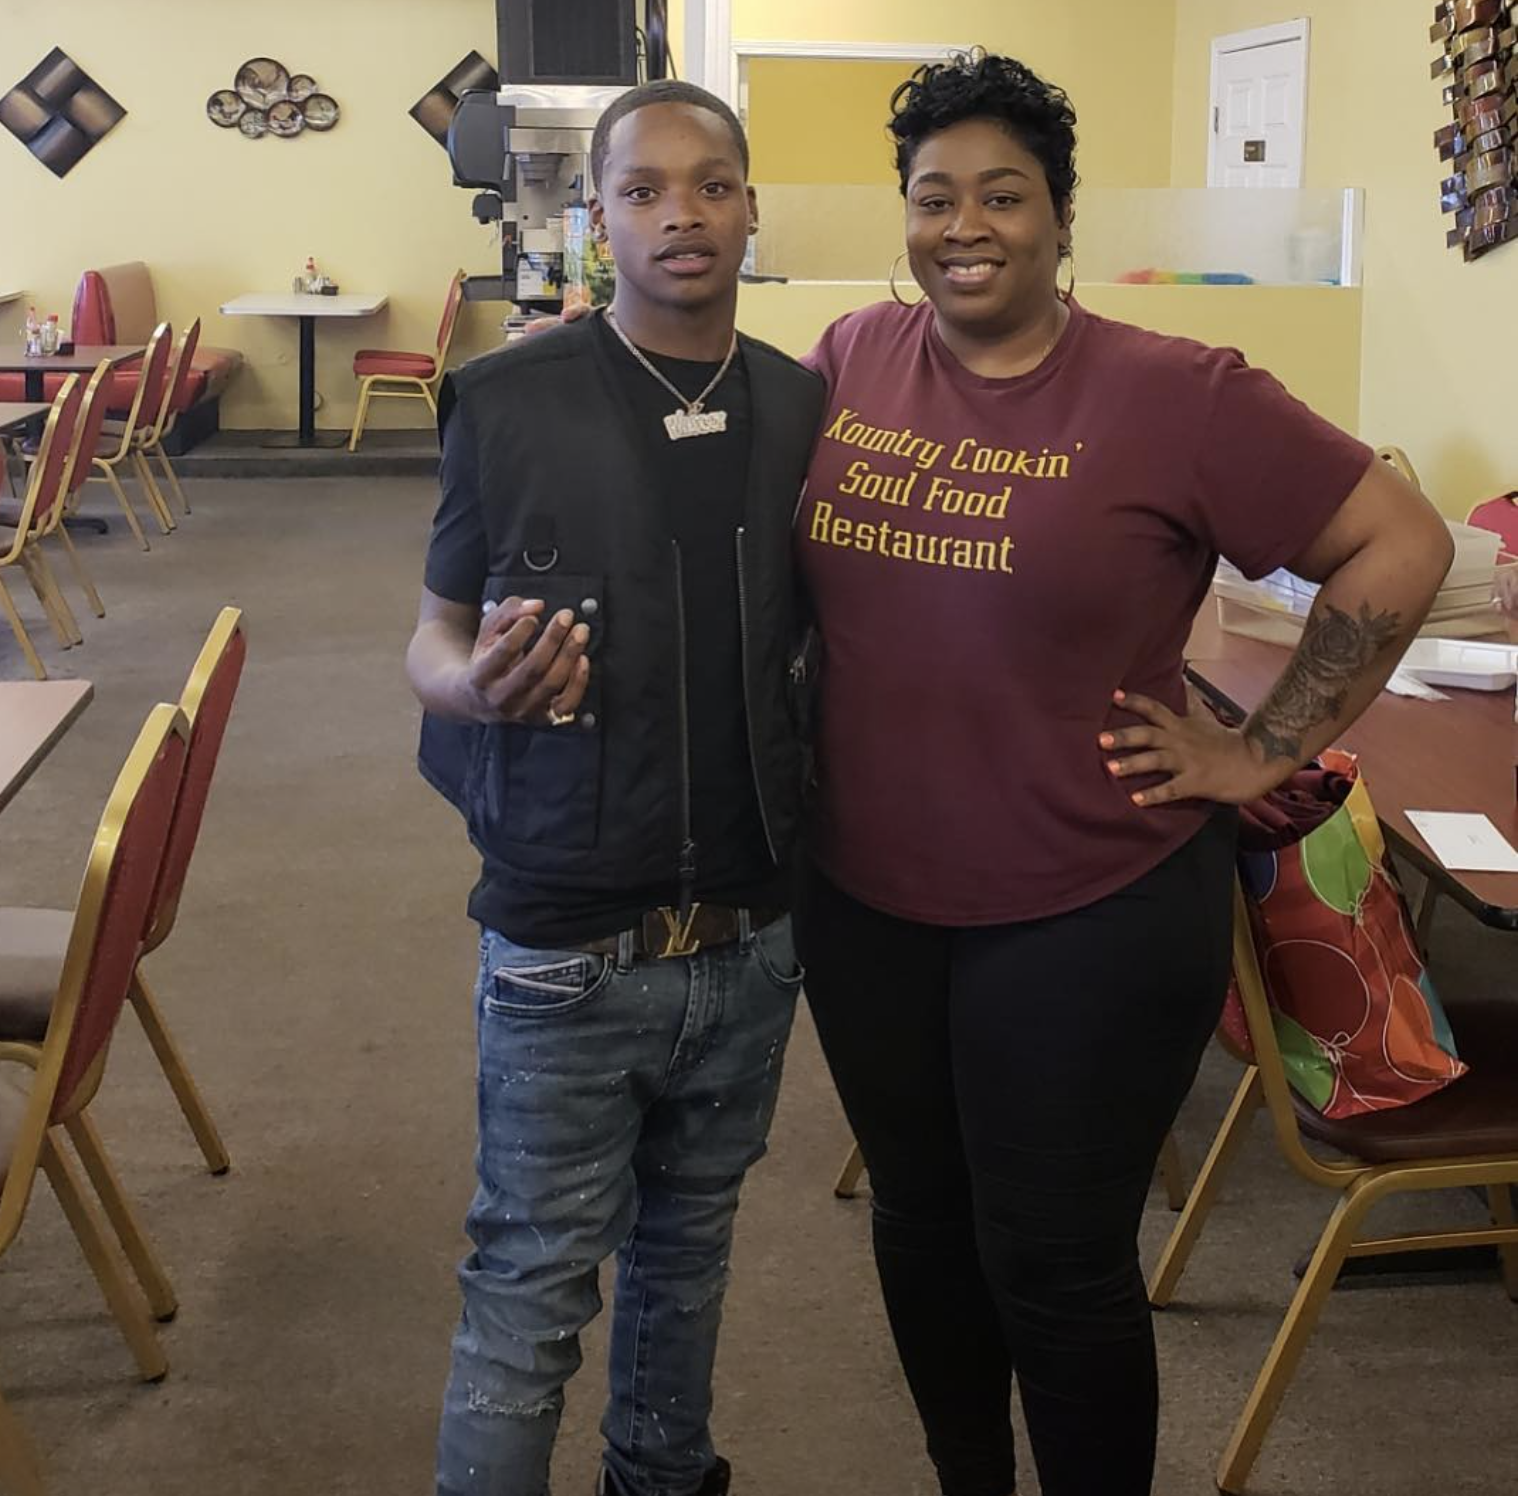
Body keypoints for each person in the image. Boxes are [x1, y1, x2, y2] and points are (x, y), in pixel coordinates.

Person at [791, 52, 1453, 1496]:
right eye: (932, 196)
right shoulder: (847, 359)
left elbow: (1401, 541)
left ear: (1059, 214)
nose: (963, 226)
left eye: (1002, 195)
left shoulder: (1179, 394)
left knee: (1053, 1258)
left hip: (1085, 900)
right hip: (864, 894)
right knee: (918, 1217)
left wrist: (1262, 744)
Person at [406, 79, 825, 1496]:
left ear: (750, 206)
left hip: (752, 942)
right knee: (529, 1292)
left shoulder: (801, 406)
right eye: (643, 189)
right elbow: (433, 633)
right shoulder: (507, 402)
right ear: (598, 217)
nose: (680, 214)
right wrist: (469, 687)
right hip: (563, 947)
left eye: (710, 184)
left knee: (689, 1258)